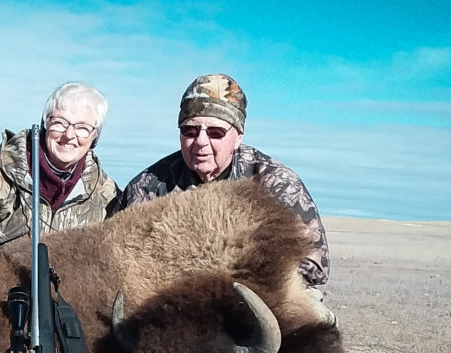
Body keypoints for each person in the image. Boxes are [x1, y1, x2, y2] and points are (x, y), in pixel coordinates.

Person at [111, 73, 330, 291]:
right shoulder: (148, 185)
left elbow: (314, 264)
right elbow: (118, 254)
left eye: (216, 132)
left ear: (238, 137)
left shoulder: (276, 183)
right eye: (190, 131)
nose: (201, 142)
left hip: (252, 293)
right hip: (166, 295)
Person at [0, 82, 118, 265]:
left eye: (83, 128)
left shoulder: (104, 192)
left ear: (95, 137)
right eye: (59, 123)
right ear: (45, 123)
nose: (69, 135)